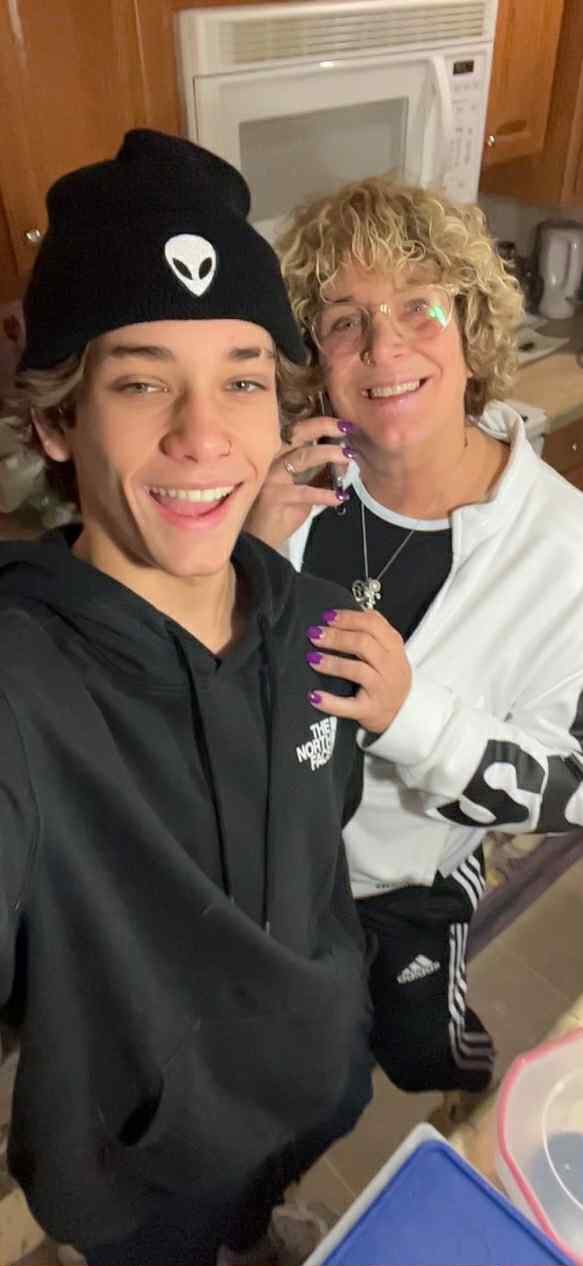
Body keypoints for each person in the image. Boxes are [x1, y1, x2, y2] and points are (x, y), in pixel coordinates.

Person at [0, 131, 376, 1266]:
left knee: (260, 1226)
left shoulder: (317, 627)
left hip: (310, 1083)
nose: (203, 434)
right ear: (57, 422)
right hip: (139, 1170)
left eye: (242, 379)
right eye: (140, 380)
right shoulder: (21, 686)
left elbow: (321, 844)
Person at [246, 176, 583, 1122]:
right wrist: (249, 558)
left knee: (419, 1045)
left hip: (407, 886)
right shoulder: (287, 488)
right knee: (302, 1058)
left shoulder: (563, 551)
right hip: (274, 872)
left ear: (470, 329)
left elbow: (572, 788)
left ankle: (464, 1093)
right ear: (315, 355)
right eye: (344, 320)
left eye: (418, 308)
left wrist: (413, 720)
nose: (383, 347)